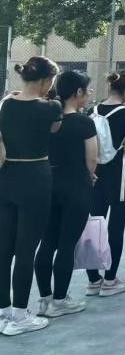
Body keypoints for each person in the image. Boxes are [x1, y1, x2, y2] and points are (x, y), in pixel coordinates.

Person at [0, 57, 62, 336]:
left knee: (4, 248)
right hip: (36, 178)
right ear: (46, 80)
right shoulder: (52, 107)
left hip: (6, 177)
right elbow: (54, 129)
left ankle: (3, 310)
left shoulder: (6, 104)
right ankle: (20, 315)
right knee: (26, 249)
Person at [34, 70, 97, 321]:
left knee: (47, 243)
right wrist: (90, 175)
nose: (88, 95)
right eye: (86, 91)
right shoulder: (84, 122)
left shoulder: (47, 120)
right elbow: (92, 158)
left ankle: (44, 299)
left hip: (48, 185)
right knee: (66, 245)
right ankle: (60, 300)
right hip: (76, 187)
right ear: (78, 92)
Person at [87, 70, 125, 298]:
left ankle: (93, 279)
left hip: (95, 173)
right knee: (116, 227)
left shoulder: (93, 111)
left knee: (94, 224)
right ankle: (110, 279)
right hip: (120, 174)